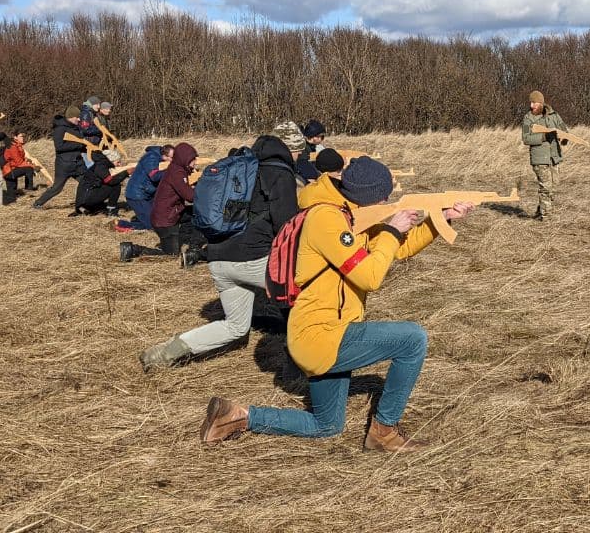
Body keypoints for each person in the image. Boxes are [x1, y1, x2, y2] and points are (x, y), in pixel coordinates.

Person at [197, 157, 474, 452]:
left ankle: (237, 417)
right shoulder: (327, 220)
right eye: (384, 196)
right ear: (369, 196)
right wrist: (392, 230)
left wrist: (442, 219)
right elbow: (370, 276)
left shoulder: (352, 215)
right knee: (412, 340)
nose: (388, 202)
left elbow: (399, 248)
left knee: (327, 425)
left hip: (325, 333)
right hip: (320, 335)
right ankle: (384, 433)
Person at [138, 135, 298, 371]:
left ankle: (165, 352)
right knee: (300, 293)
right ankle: (297, 361)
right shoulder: (279, 174)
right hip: (253, 260)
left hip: (218, 259)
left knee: (235, 327)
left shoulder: (239, 170)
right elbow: (286, 226)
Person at [119, 142, 203, 261]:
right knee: (171, 255)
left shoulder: (177, 169)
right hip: (165, 220)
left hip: (171, 213)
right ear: (184, 158)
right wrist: (204, 189)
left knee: (197, 213)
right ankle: (133, 249)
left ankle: (193, 244)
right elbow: (190, 196)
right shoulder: (177, 173)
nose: (195, 162)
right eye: (193, 159)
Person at [521, 90, 568, 221]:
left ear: (541, 103)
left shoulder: (554, 115)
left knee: (553, 187)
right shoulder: (528, 118)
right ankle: (546, 217)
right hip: (539, 158)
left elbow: (564, 129)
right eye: (530, 102)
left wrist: (564, 138)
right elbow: (526, 138)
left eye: (534, 102)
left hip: (554, 157)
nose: (531, 105)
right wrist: (543, 136)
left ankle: (540, 210)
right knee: (546, 187)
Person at [33, 106, 88, 209]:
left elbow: (80, 143)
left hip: (78, 163)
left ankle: (87, 204)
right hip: (64, 165)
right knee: (57, 188)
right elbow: (59, 147)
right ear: (71, 117)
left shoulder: (76, 128)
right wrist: (79, 145)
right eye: (77, 117)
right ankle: (38, 203)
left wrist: (88, 147)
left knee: (88, 183)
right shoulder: (60, 129)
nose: (79, 119)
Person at [117, 144, 174, 232]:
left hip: (147, 193)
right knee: (152, 225)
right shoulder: (151, 158)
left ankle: (142, 219)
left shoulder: (157, 158)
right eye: (172, 158)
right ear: (165, 156)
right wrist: (170, 171)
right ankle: (121, 224)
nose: (173, 160)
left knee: (158, 220)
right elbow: (154, 176)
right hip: (137, 195)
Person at [73, 148, 129, 216]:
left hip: (85, 197)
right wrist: (126, 173)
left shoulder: (100, 164)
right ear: (111, 160)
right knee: (116, 186)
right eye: (118, 162)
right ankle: (111, 211)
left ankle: (87, 208)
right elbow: (111, 181)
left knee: (111, 184)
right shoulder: (101, 167)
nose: (119, 164)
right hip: (85, 199)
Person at [0, 132, 37, 201]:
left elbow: (18, 160)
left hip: (10, 171)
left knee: (11, 196)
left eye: (24, 136)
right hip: (9, 171)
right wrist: (32, 166)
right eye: (21, 136)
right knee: (29, 169)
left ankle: (10, 198)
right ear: (15, 137)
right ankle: (29, 190)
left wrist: (27, 160)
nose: (23, 137)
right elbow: (19, 162)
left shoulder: (18, 146)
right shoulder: (12, 147)